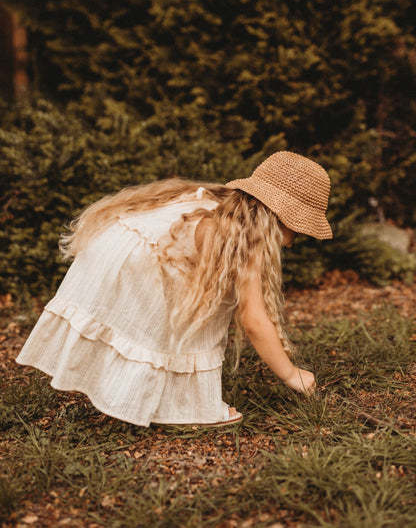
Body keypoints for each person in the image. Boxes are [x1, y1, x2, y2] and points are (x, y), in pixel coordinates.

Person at [16, 151, 332, 427]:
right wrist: (292, 375)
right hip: (136, 268)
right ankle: (182, 408)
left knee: (187, 306)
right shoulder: (243, 239)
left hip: (117, 252)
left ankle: (133, 392)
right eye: (298, 230)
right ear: (281, 216)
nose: (293, 241)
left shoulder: (220, 205)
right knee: (190, 316)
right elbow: (254, 320)